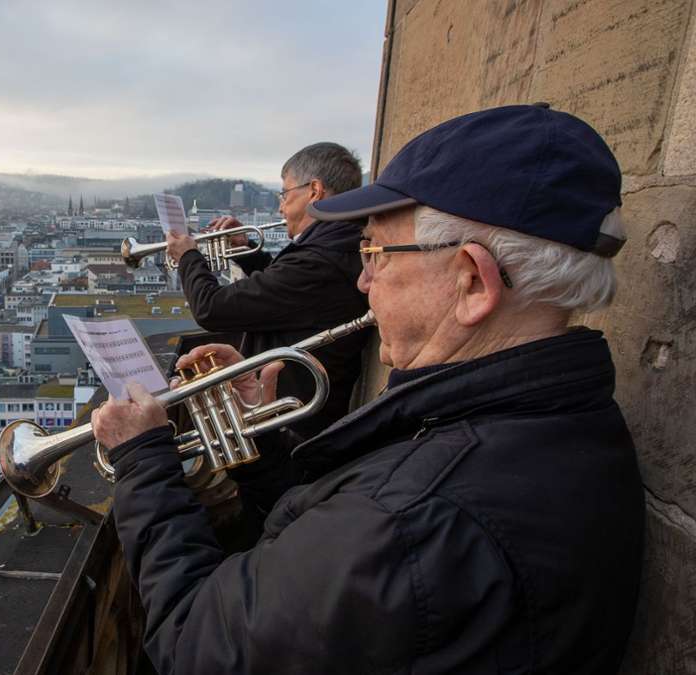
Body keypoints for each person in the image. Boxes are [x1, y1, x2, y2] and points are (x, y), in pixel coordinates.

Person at [93, 105, 643, 674]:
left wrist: (141, 461)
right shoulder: (559, 422)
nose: (362, 281)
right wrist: (256, 450)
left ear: (472, 282)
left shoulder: (412, 520)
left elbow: (192, 643)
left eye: (375, 253)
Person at [167, 143, 371, 440]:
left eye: (285, 194)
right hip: (299, 414)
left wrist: (187, 257)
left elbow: (211, 308)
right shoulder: (334, 247)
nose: (280, 207)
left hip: (292, 429)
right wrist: (245, 251)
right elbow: (286, 293)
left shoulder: (319, 261)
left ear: (314, 191)